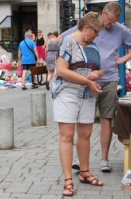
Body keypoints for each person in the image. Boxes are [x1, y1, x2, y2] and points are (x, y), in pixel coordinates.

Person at [59, 2, 131, 172]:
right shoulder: (90, 24)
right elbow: (63, 37)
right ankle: (79, 158)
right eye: (111, 20)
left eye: (115, 21)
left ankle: (104, 159)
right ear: (104, 13)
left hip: (109, 79)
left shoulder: (120, 29)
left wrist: (122, 59)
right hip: (85, 80)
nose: (112, 24)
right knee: (83, 120)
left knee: (106, 118)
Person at [52, 12, 104, 196]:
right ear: (87, 28)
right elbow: (61, 70)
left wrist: (96, 75)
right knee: (67, 135)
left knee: (86, 134)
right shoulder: (68, 41)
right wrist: (88, 81)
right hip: (67, 93)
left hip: (86, 95)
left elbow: (99, 68)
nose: (98, 35)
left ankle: (84, 171)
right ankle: (67, 179)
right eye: (97, 31)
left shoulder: (93, 45)